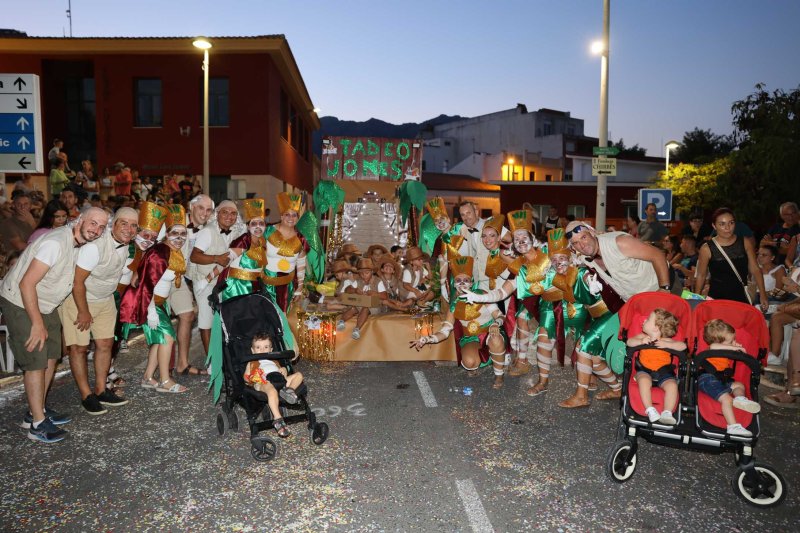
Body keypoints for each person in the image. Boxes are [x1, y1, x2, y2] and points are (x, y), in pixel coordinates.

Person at [0, 207, 109, 443]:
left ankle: (36, 409)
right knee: (36, 361)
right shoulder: (56, 243)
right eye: (93, 223)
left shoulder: (77, 244)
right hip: (21, 301)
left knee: (51, 357)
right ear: (79, 220)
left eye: (101, 227)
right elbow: (26, 284)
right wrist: (37, 324)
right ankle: (36, 424)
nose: (96, 230)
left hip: (45, 303)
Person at [60, 208, 138, 414]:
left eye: (133, 225)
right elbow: (77, 282)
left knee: (105, 344)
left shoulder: (127, 247)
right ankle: (87, 395)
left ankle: (101, 389)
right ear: (114, 224)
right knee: (79, 348)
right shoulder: (95, 247)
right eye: (124, 223)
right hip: (79, 299)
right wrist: (83, 311)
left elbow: (121, 277)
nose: (129, 229)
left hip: (104, 300)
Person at [120, 204, 190, 393]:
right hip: (151, 302)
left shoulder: (172, 251)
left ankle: (148, 377)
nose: (180, 238)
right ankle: (165, 381)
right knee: (167, 338)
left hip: (160, 302)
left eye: (183, 234)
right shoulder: (160, 253)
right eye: (175, 233)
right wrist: (151, 311)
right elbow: (147, 284)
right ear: (166, 234)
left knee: (159, 340)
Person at [410, 255, 508, 387]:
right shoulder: (454, 305)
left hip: (491, 332)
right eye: (458, 280)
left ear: (471, 283)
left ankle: (499, 375)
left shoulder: (482, 294)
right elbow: (445, 331)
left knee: (495, 339)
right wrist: (427, 339)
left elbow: (500, 316)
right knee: (469, 362)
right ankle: (488, 357)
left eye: (466, 280)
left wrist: (497, 323)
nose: (462, 283)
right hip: (472, 339)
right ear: (454, 284)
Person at [567, 221, 670, 301]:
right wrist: (586, 277)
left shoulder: (619, 242)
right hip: (638, 301)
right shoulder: (584, 257)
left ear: (592, 233)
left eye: (584, 237)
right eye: (576, 243)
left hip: (663, 286)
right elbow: (569, 264)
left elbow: (658, 255)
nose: (582, 245)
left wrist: (664, 288)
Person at [189, 200, 241, 356]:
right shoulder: (207, 231)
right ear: (217, 214)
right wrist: (216, 258)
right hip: (205, 283)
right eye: (225, 212)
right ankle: (211, 360)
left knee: (223, 321)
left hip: (226, 284)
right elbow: (194, 256)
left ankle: (223, 357)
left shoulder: (237, 233)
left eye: (233, 213)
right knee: (207, 322)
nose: (229, 216)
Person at [170, 194, 214, 377]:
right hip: (164, 275)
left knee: (187, 316)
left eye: (208, 209)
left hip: (183, 278)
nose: (204, 213)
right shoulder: (175, 221)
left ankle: (182, 364)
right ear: (191, 207)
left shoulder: (208, 229)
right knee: (157, 322)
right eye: (201, 208)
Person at [693, 208, 767, 311]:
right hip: (717, 297)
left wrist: (763, 295)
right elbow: (701, 275)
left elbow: (755, 269)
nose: (727, 228)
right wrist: (696, 298)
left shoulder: (745, 242)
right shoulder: (706, 248)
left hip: (741, 296)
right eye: (722, 224)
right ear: (714, 226)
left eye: (731, 223)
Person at [699, 319, 762, 437]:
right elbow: (714, 346)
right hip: (707, 379)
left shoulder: (724, 346)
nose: (734, 342)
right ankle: (733, 426)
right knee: (727, 399)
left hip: (722, 380)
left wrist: (734, 348)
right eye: (731, 341)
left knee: (739, 385)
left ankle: (739, 399)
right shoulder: (713, 347)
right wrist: (733, 348)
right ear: (719, 341)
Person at [626, 309, 686, 425]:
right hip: (644, 371)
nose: (644, 320)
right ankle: (650, 409)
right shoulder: (643, 337)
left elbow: (682, 346)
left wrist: (667, 345)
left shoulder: (667, 341)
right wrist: (641, 341)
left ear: (656, 328)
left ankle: (667, 412)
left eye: (648, 319)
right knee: (644, 381)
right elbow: (629, 342)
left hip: (664, 373)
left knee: (672, 386)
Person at [244, 333, 304, 438]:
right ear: (252, 351)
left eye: (266, 347)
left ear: (271, 349)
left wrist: (284, 370)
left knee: (298, 375)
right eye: (258, 347)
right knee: (271, 391)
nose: (262, 350)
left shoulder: (274, 360)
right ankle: (278, 420)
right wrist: (253, 376)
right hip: (263, 383)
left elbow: (282, 372)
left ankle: (289, 391)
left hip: (279, 381)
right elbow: (246, 377)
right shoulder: (252, 362)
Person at [262, 192, 310, 312]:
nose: (291, 218)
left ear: (298, 217)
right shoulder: (268, 232)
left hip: (287, 286)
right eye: (287, 215)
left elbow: (301, 263)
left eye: (294, 215)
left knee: (282, 318)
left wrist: (299, 288)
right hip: (266, 283)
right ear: (282, 216)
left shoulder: (301, 239)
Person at [215, 198, 268, 302]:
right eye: (254, 224)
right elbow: (225, 262)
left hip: (254, 286)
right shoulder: (243, 240)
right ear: (247, 226)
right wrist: (206, 280)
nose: (258, 227)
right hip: (238, 287)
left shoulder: (262, 241)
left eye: (261, 223)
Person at [344, 258, 382, 340]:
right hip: (362, 303)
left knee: (365, 308)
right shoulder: (358, 281)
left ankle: (357, 329)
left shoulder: (378, 281)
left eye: (367, 273)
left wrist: (374, 293)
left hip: (375, 305)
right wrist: (355, 290)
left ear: (372, 272)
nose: (364, 275)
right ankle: (341, 322)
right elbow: (347, 290)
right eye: (361, 273)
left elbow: (385, 296)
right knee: (353, 307)